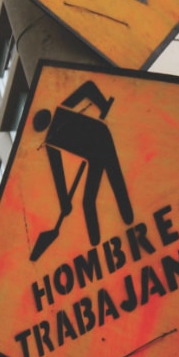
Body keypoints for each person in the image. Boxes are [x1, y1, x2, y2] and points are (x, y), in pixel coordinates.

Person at [29, 80, 133, 260]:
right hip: (92, 154)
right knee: (87, 201)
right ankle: (97, 247)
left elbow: (89, 87)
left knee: (115, 180)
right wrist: (64, 203)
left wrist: (103, 105)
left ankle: (131, 222)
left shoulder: (61, 112)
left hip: (102, 138)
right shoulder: (50, 143)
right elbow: (57, 173)